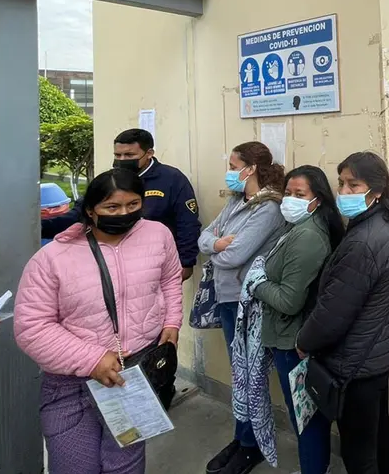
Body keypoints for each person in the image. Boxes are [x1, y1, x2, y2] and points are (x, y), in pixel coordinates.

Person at [15, 168, 183, 474]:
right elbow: (32, 327)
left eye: (133, 205)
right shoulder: (52, 258)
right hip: (72, 386)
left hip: (136, 373)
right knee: (74, 466)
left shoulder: (158, 235)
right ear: (91, 211)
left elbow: (170, 279)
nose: (125, 213)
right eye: (113, 208)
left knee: (126, 465)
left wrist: (172, 322)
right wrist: (91, 359)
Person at [295, 153, 389, 474]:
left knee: (359, 454)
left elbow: (333, 312)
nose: (343, 191)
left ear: (377, 190)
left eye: (353, 184)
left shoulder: (363, 241)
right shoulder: (384, 222)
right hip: (376, 354)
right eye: (341, 183)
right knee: (379, 436)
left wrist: (305, 340)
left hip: (355, 364)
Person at [253, 166, 344, 474]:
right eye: (288, 193)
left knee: (305, 418)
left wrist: (258, 283)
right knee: (305, 415)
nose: (290, 200)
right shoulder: (300, 225)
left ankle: (314, 469)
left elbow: (289, 301)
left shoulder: (307, 236)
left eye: (299, 195)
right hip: (288, 335)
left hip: (294, 341)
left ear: (317, 199)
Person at [203, 142, 287, 474]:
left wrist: (216, 248)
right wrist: (215, 243)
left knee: (250, 376)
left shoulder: (268, 209)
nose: (229, 169)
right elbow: (205, 235)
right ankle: (242, 437)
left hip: (247, 303)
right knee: (239, 375)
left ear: (249, 169)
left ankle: (253, 446)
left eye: (233, 163)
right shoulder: (238, 201)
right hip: (226, 297)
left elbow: (235, 256)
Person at [42, 128, 202, 280]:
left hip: (157, 261)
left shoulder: (171, 179)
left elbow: (187, 223)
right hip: (113, 260)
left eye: (129, 155)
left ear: (149, 154)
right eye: (118, 155)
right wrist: (42, 228)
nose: (122, 160)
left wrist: (186, 262)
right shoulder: (109, 181)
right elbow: (79, 214)